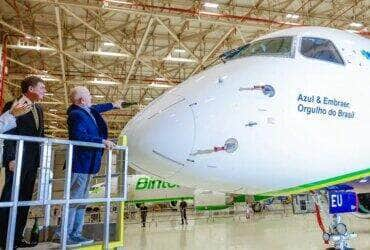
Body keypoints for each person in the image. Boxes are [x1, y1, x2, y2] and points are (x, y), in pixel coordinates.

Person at [53, 86, 123, 247]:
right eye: (89, 96)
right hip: (80, 163)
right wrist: (101, 141)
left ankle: (75, 233)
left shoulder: (85, 110)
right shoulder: (76, 115)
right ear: (82, 100)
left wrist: (113, 104)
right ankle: (63, 234)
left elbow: (97, 108)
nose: (92, 98)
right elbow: (79, 136)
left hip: (88, 163)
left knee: (81, 200)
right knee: (74, 200)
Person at [0, 76, 46, 249]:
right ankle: (4, 239)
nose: (44, 91)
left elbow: (40, 135)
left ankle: (17, 237)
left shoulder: (39, 109)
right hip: (17, 159)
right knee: (11, 198)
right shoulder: (13, 105)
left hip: (32, 161)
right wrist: (10, 158)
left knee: (25, 200)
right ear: (31, 89)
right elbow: (8, 135)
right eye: (42, 87)